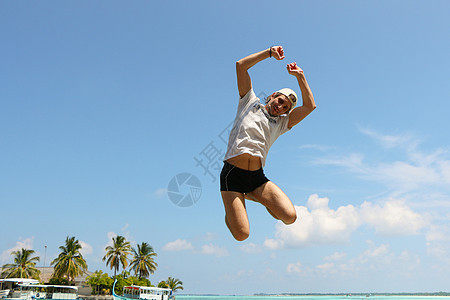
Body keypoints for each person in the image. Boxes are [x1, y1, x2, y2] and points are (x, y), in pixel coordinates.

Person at [220, 46, 316, 241]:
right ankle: (231, 212)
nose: (280, 107)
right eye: (279, 101)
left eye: (285, 107)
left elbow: (310, 106)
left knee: (290, 217)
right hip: (233, 174)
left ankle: (253, 196)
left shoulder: (282, 124)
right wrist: (270, 53)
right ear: (273, 95)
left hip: (256, 178)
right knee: (242, 235)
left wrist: (300, 76)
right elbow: (241, 66)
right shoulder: (249, 102)